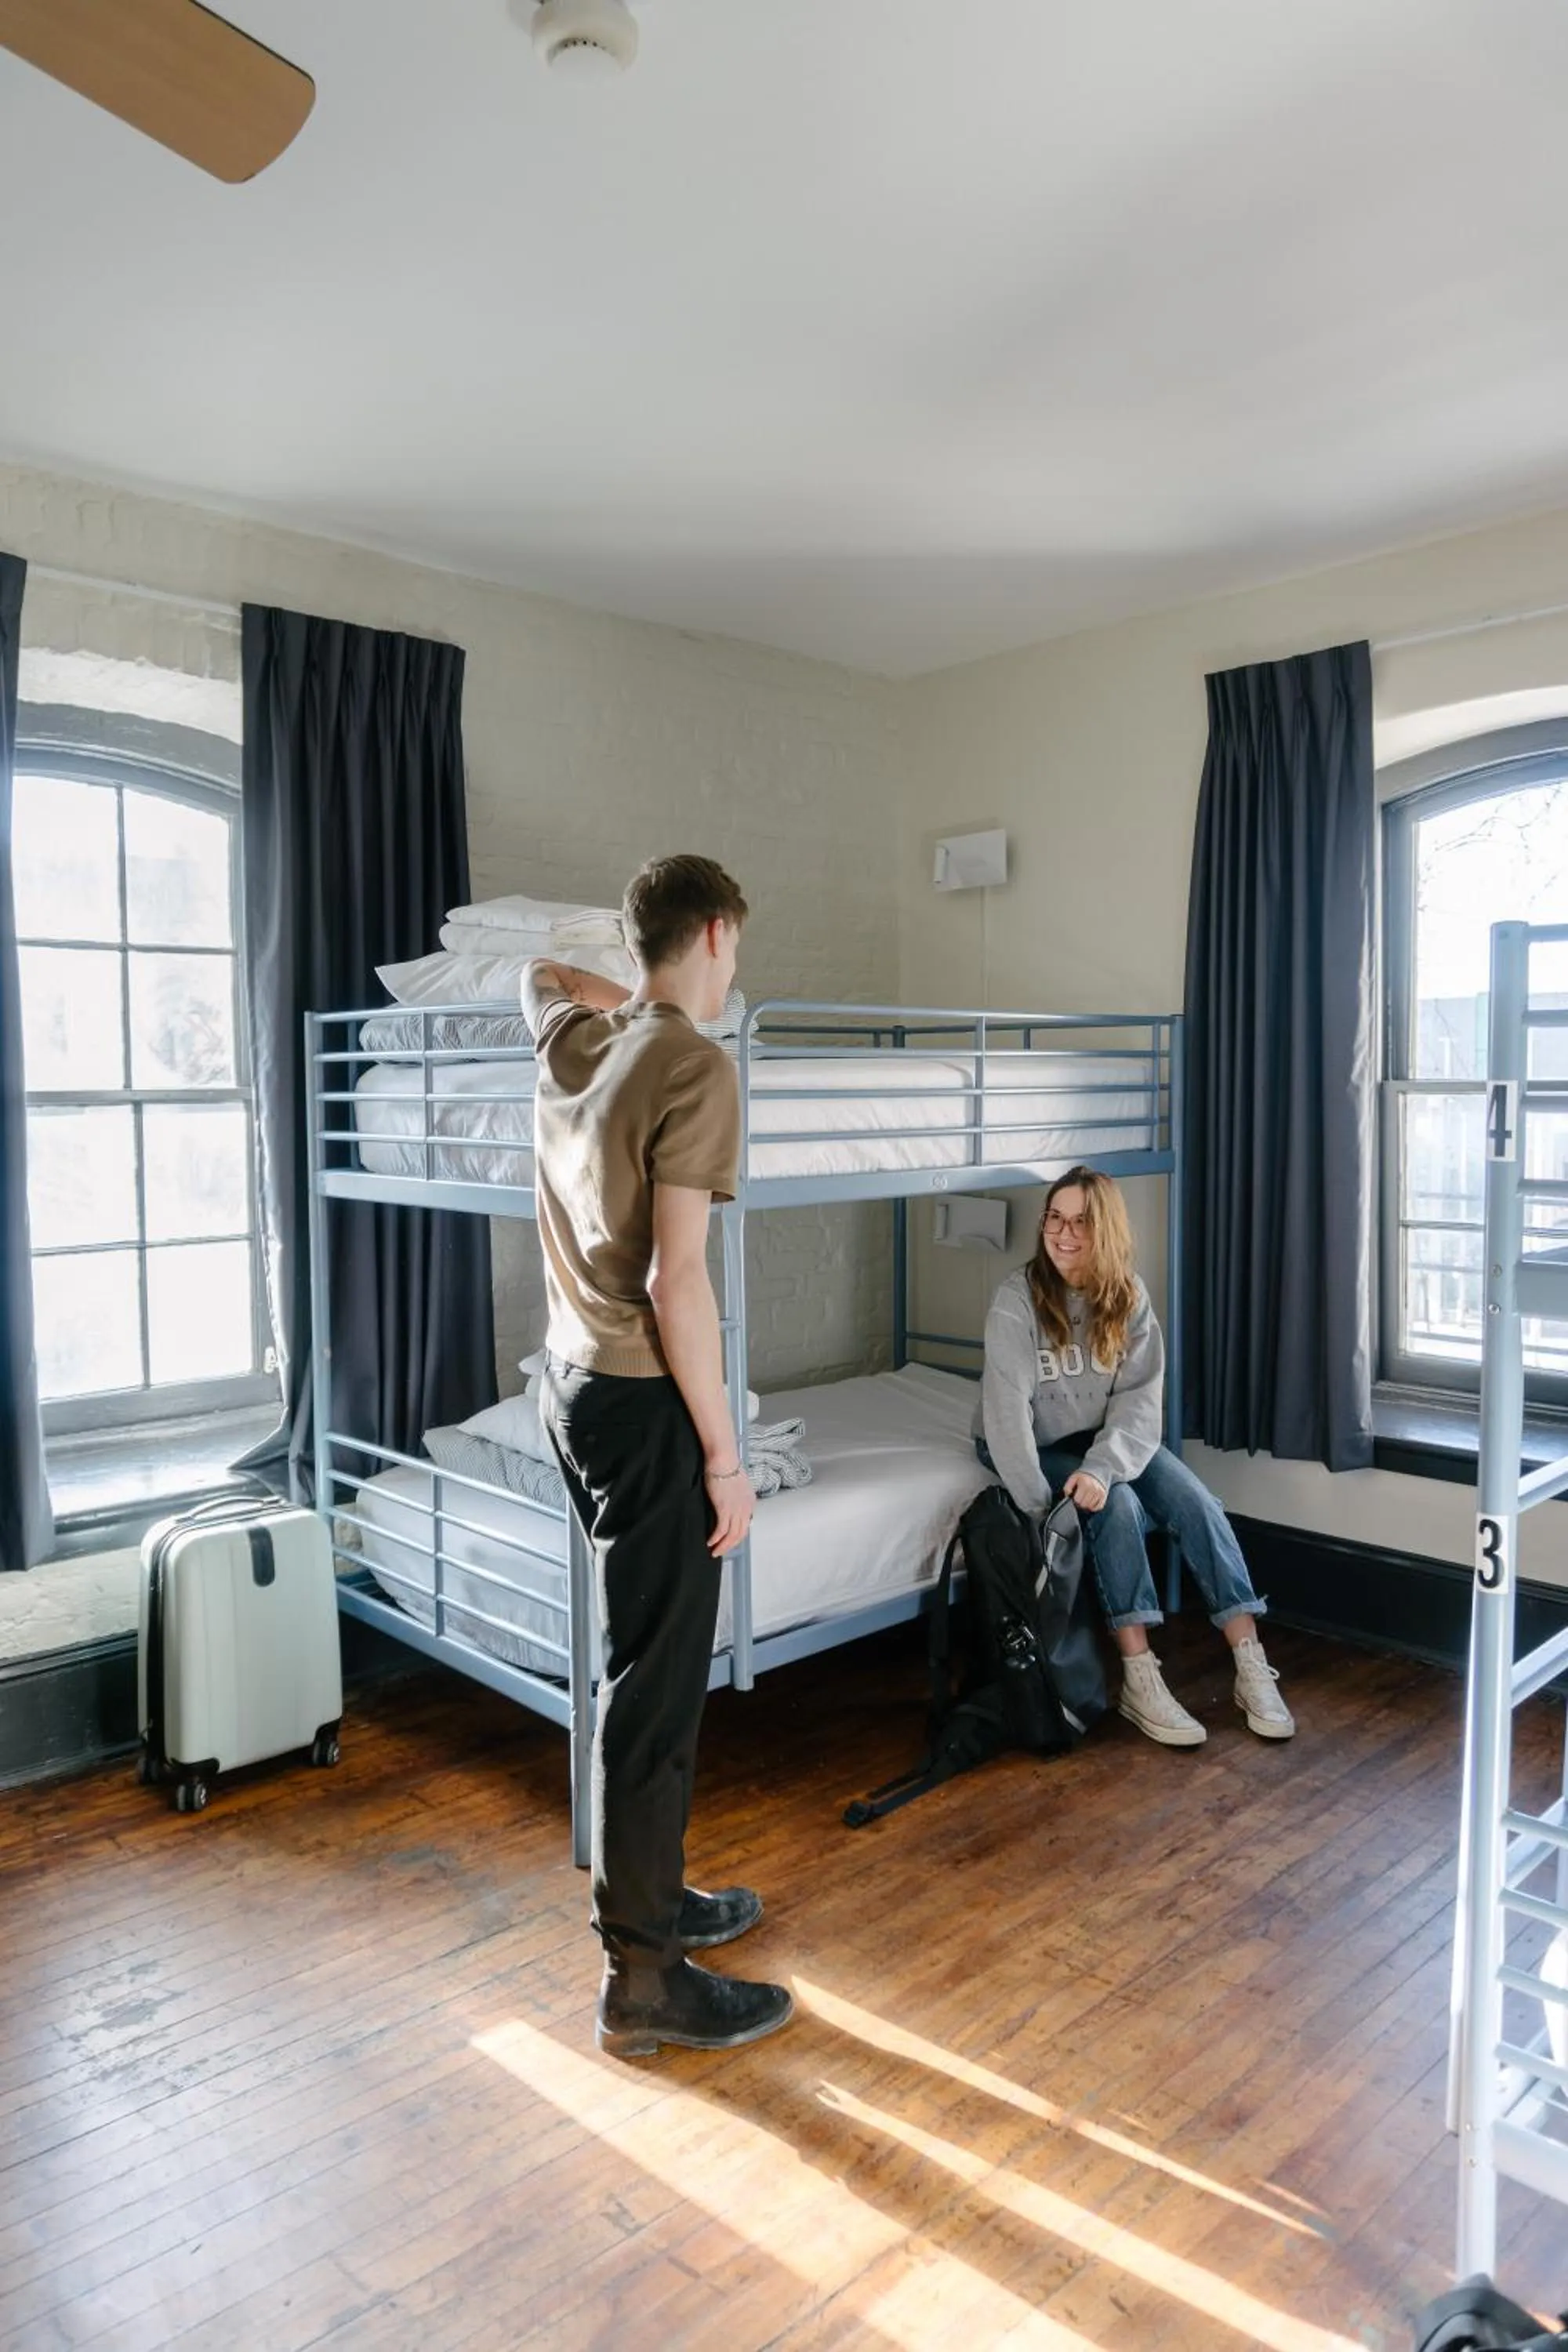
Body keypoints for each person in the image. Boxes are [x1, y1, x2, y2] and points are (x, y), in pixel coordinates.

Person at [521, 855, 793, 2057]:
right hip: (641, 1408)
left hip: (568, 1389)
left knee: (636, 1669)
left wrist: (626, 995)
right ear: (719, 933)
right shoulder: (694, 1064)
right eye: (737, 948)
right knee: (658, 1691)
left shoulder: (578, 1041)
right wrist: (725, 1458)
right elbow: (679, 1282)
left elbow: (538, 977)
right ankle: (641, 1980)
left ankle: (653, 1898)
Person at [976, 1165, 1294, 1748]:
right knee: (1117, 1507)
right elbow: (1006, 1416)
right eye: (1055, 1219)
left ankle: (1250, 1663)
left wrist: (1102, 1467)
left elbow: (1139, 1406)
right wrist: (1043, 1513)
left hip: (1101, 1438)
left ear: (1107, 1230)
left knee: (1197, 1503)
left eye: (1081, 1222)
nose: (1063, 1234)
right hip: (1032, 1443)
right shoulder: (1016, 1300)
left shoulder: (1128, 1296)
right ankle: (1139, 1677)